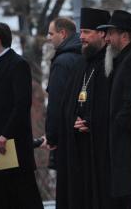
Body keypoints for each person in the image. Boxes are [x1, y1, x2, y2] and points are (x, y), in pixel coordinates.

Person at [56, 8, 116, 209]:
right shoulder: (80, 64)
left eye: (87, 32)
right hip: (77, 148)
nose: (81, 37)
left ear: (102, 34)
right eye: (81, 32)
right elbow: (67, 103)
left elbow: (112, 106)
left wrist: (91, 122)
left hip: (99, 149)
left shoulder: (111, 64)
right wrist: (73, 118)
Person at [97, 10, 131, 209]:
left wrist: (116, 127)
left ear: (124, 35)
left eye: (111, 33)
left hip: (127, 150)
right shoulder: (125, 58)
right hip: (121, 148)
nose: (107, 39)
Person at [0, 22, 43, 209]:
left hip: (12, 144)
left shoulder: (18, 64)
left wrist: (5, 134)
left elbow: (22, 105)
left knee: (22, 195)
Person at [45, 17, 82, 169]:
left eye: (51, 34)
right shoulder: (83, 55)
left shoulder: (62, 62)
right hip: (80, 131)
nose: (49, 38)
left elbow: (56, 101)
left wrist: (51, 137)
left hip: (64, 136)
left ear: (63, 33)